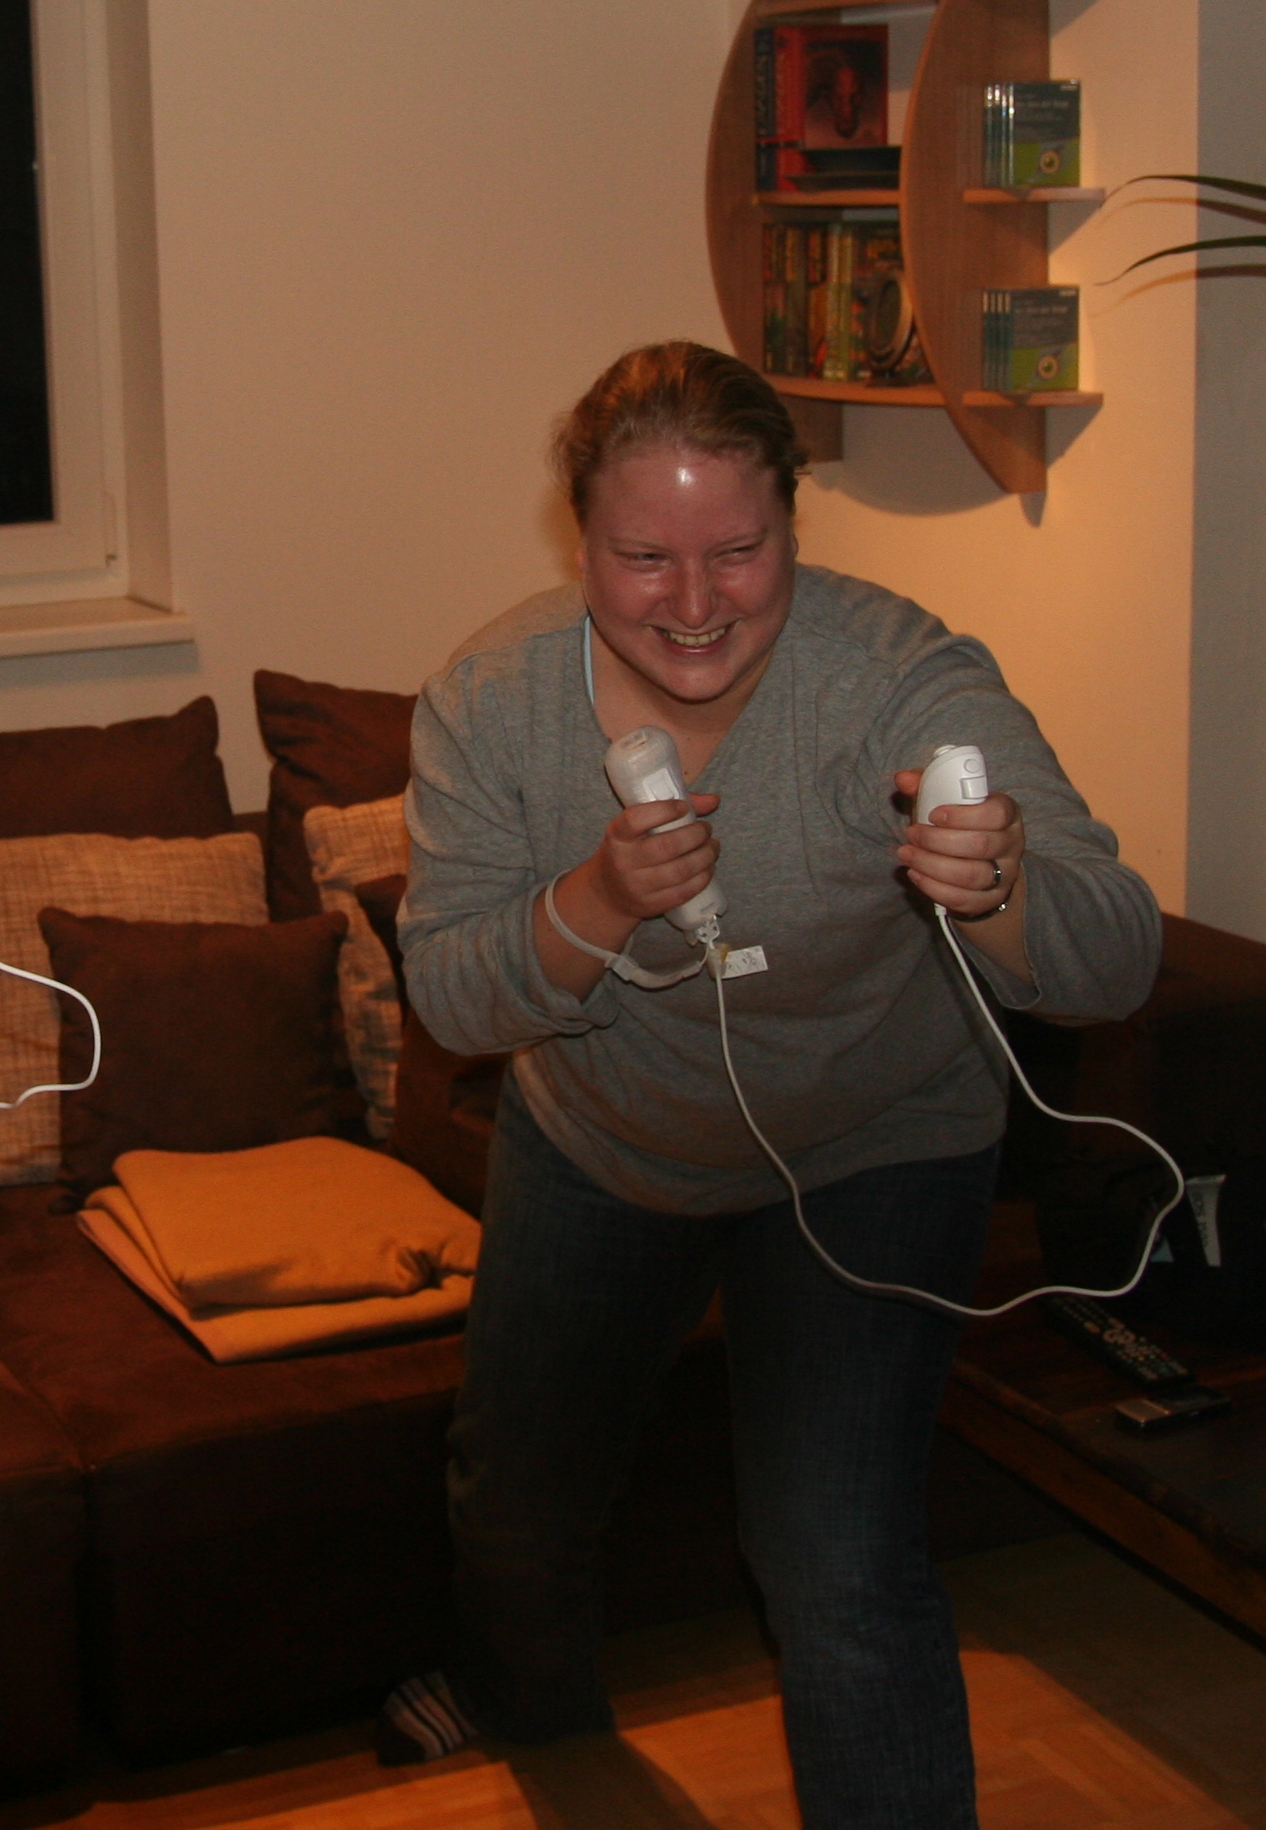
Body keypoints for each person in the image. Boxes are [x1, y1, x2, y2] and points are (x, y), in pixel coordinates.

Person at [387, 341, 1159, 1827]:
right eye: (644, 558)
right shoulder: (489, 702)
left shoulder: (901, 678)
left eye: (738, 552)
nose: (694, 604)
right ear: (577, 541)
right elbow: (453, 997)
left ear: (794, 526)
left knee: (841, 1563)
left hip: (877, 1149)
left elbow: (1116, 958)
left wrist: (1000, 887)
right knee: (518, 1499)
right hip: (603, 1147)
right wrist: (599, 902)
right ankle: (540, 1733)